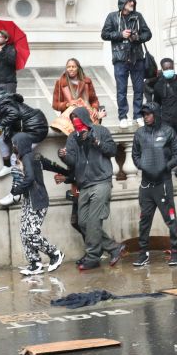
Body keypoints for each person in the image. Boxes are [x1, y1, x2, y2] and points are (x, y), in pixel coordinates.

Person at [61, 106, 125, 270]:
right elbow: (72, 162)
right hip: (84, 184)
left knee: (94, 221)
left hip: (101, 181)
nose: (76, 125)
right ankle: (113, 248)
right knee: (82, 222)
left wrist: (95, 141)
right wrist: (63, 156)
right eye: (73, 122)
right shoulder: (72, 138)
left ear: (84, 119)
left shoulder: (100, 131)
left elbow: (112, 150)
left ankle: (92, 257)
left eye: (78, 121)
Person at [131, 102, 177, 266]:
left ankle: (175, 252)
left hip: (163, 183)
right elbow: (135, 155)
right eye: (143, 114)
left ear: (155, 114)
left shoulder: (168, 131)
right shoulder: (139, 133)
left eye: (148, 114)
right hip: (146, 185)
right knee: (144, 220)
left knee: (170, 219)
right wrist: (143, 165)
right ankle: (143, 254)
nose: (145, 117)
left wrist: (165, 167)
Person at [9, 132, 64, 275]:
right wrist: (67, 172)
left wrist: (16, 190)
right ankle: (35, 263)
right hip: (30, 200)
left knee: (31, 234)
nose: (13, 147)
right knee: (24, 232)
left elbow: (30, 178)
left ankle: (55, 254)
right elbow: (52, 165)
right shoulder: (34, 156)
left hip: (37, 200)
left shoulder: (27, 157)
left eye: (15, 144)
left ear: (20, 144)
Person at [0, 89, 49, 192]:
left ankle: (16, 191)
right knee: (5, 143)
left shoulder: (1, 103)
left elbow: (14, 114)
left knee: (16, 157)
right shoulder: (2, 102)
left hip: (34, 128)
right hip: (34, 126)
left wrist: (0, 124)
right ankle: (8, 167)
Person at [101, 0, 152, 128]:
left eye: (133, 2)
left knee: (139, 88)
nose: (132, 4)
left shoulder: (138, 16)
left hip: (137, 57)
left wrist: (138, 38)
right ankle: (123, 117)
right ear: (123, 2)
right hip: (120, 59)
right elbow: (104, 34)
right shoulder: (112, 17)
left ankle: (138, 115)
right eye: (130, 1)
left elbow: (148, 33)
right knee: (121, 90)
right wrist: (120, 34)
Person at [146, 57, 177, 190]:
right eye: (166, 68)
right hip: (166, 123)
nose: (168, 70)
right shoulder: (158, 85)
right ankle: (165, 176)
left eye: (170, 67)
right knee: (165, 150)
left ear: (173, 67)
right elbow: (156, 105)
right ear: (162, 69)